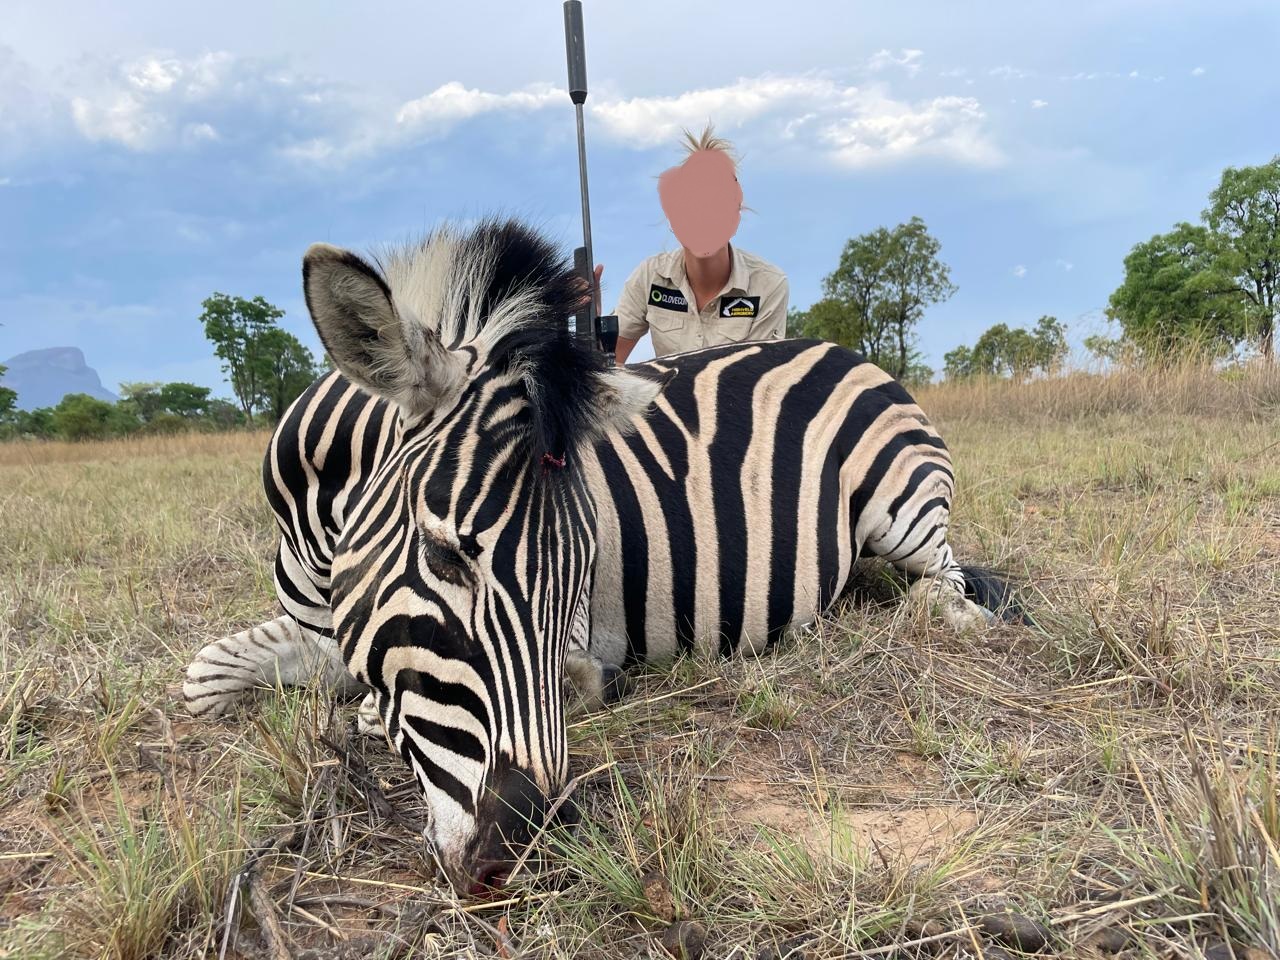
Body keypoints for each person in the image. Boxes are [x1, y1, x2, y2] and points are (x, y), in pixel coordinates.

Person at [596, 125, 789, 364]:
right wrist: (592, 329)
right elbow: (608, 366)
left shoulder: (769, 285)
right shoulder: (649, 277)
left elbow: (755, 383)